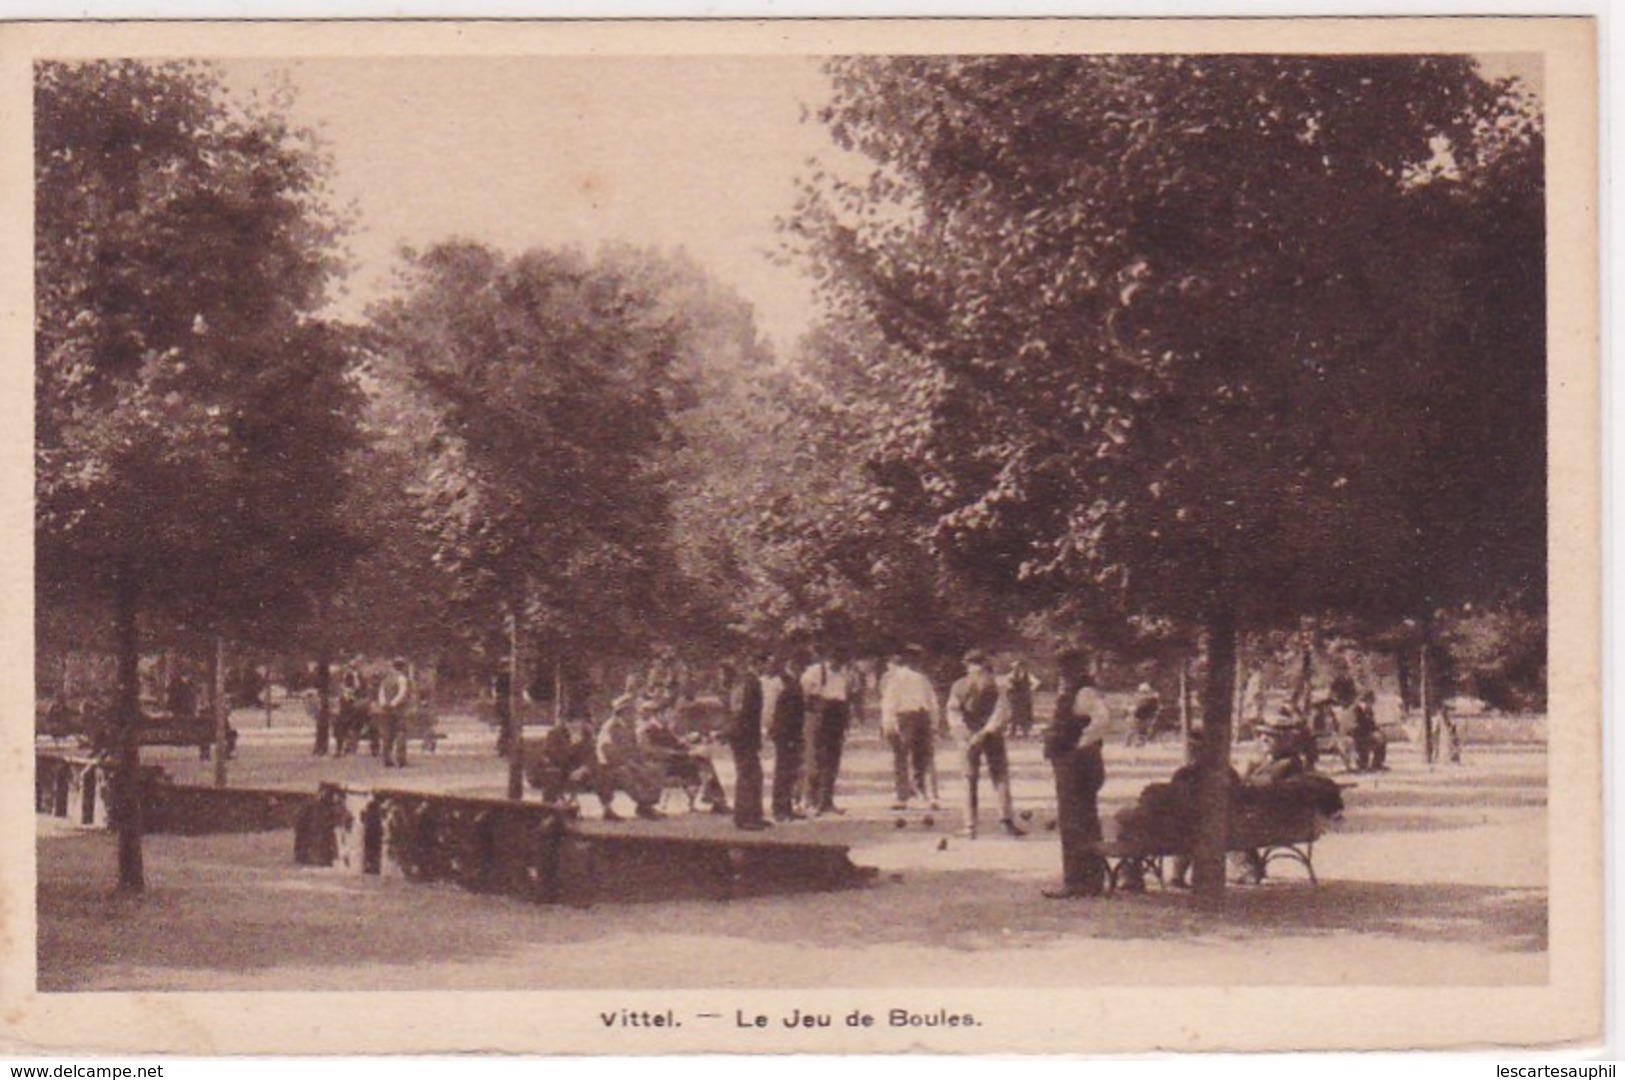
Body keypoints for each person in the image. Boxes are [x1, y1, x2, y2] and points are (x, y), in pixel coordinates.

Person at [1042, 648, 1111, 899]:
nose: (1062, 674)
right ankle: (1087, 879)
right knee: (1081, 820)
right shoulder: (1076, 692)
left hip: (1077, 764)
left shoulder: (1084, 692)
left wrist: (1079, 746)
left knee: (1075, 822)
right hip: (1073, 762)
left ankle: (1078, 880)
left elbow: (1102, 721)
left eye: (1066, 669)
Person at [948, 650, 1023, 838]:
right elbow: (1002, 711)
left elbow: (953, 712)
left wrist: (964, 733)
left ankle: (970, 825)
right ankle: (1006, 821)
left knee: (969, 779)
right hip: (991, 735)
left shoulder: (959, 685)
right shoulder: (997, 684)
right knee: (999, 776)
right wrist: (985, 731)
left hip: (967, 737)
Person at [880, 645, 941, 812]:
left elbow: (932, 702)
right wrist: (889, 723)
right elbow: (889, 702)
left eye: (919, 659)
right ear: (907, 660)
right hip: (904, 718)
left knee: (924, 756)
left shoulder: (923, 679)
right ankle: (902, 796)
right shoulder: (897, 678)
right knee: (902, 756)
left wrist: (934, 723)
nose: (917, 662)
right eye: (914, 658)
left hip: (922, 717)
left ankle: (927, 794)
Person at [802, 646, 856, 816]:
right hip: (819, 716)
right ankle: (810, 800)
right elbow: (803, 696)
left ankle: (827, 801)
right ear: (828, 657)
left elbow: (847, 697)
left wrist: (847, 718)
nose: (838, 663)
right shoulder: (814, 672)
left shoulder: (845, 674)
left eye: (841, 660)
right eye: (835, 659)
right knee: (815, 759)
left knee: (832, 760)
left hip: (836, 717)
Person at [596, 695, 666, 821]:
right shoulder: (611, 728)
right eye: (631, 712)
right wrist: (630, 763)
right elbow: (608, 751)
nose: (634, 715)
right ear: (622, 712)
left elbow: (635, 748)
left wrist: (641, 761)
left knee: (655, 769)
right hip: (610, 765)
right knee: (628, 774)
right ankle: (643, 804)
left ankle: (646, 805)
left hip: (629, 761)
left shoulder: (629, 726)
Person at [723, 658, 770, 830]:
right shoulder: (751, 682)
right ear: (758, 663)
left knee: (751, 775)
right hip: (744, 735)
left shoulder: (744, 682)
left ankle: (750, 815)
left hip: (742, 735)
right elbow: (744, 713)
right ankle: (747, 817)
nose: (768, 666)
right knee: (749, 775)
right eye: (766, 662)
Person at [769, 654, 808, 822]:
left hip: (794, 732)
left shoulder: (795, 682)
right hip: (784, 733)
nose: (803, 671)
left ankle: (787, 807)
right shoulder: (780, 682)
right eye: (801, 667)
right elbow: (771, 708)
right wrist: (771, 728)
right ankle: (779, 809)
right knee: (783, 770)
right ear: (792, 664)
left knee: (791, 770)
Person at [377, 657, 415, 768]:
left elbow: (381, 693)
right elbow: (402, 693)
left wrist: (384, 704)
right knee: (401, 733)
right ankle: (400, 759)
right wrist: (394, 703)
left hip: (385, 709)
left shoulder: (386, 679)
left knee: (387, 734)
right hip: (399, 710)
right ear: (403, 666)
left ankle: (387, 758)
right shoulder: (402, 678)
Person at [1352, 688, 1387, 771]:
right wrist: (1371, 731)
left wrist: (1377, 730)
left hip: (1367, 733)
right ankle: (1363, 763)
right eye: (1369, 701)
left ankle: (1377, 763)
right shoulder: (1357, 710)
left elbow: (1372, 724)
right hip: (1358, 734)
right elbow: (1358, 725)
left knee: (1382, 737)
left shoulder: (1369, 710)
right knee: (1375, 738)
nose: (1370, 704)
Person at [1005, 659, 1036, 739]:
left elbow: (1036, 682)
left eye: (1019, 666)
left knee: (1025, 714)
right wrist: (1010, 689)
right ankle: (1012, 732)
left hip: (1024, 697)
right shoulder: (1010, 675)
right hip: (1015, 697)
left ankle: (1025, 733)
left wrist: (1030, 689)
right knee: (1014, 714)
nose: (1017, 668)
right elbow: (1007, 685)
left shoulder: (1027, 674)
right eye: (1015, 666)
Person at [1127, 682, 1163, 746]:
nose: (1143, 693)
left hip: (1144, 717)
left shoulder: (1151, 699)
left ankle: (1138, 743)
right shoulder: (1143, 698)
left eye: (1145, 692)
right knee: (1134, 730)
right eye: (1142, 692)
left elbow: (1157, 708)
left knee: (1141, 731)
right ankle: (1131, 743)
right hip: (1139, 716)